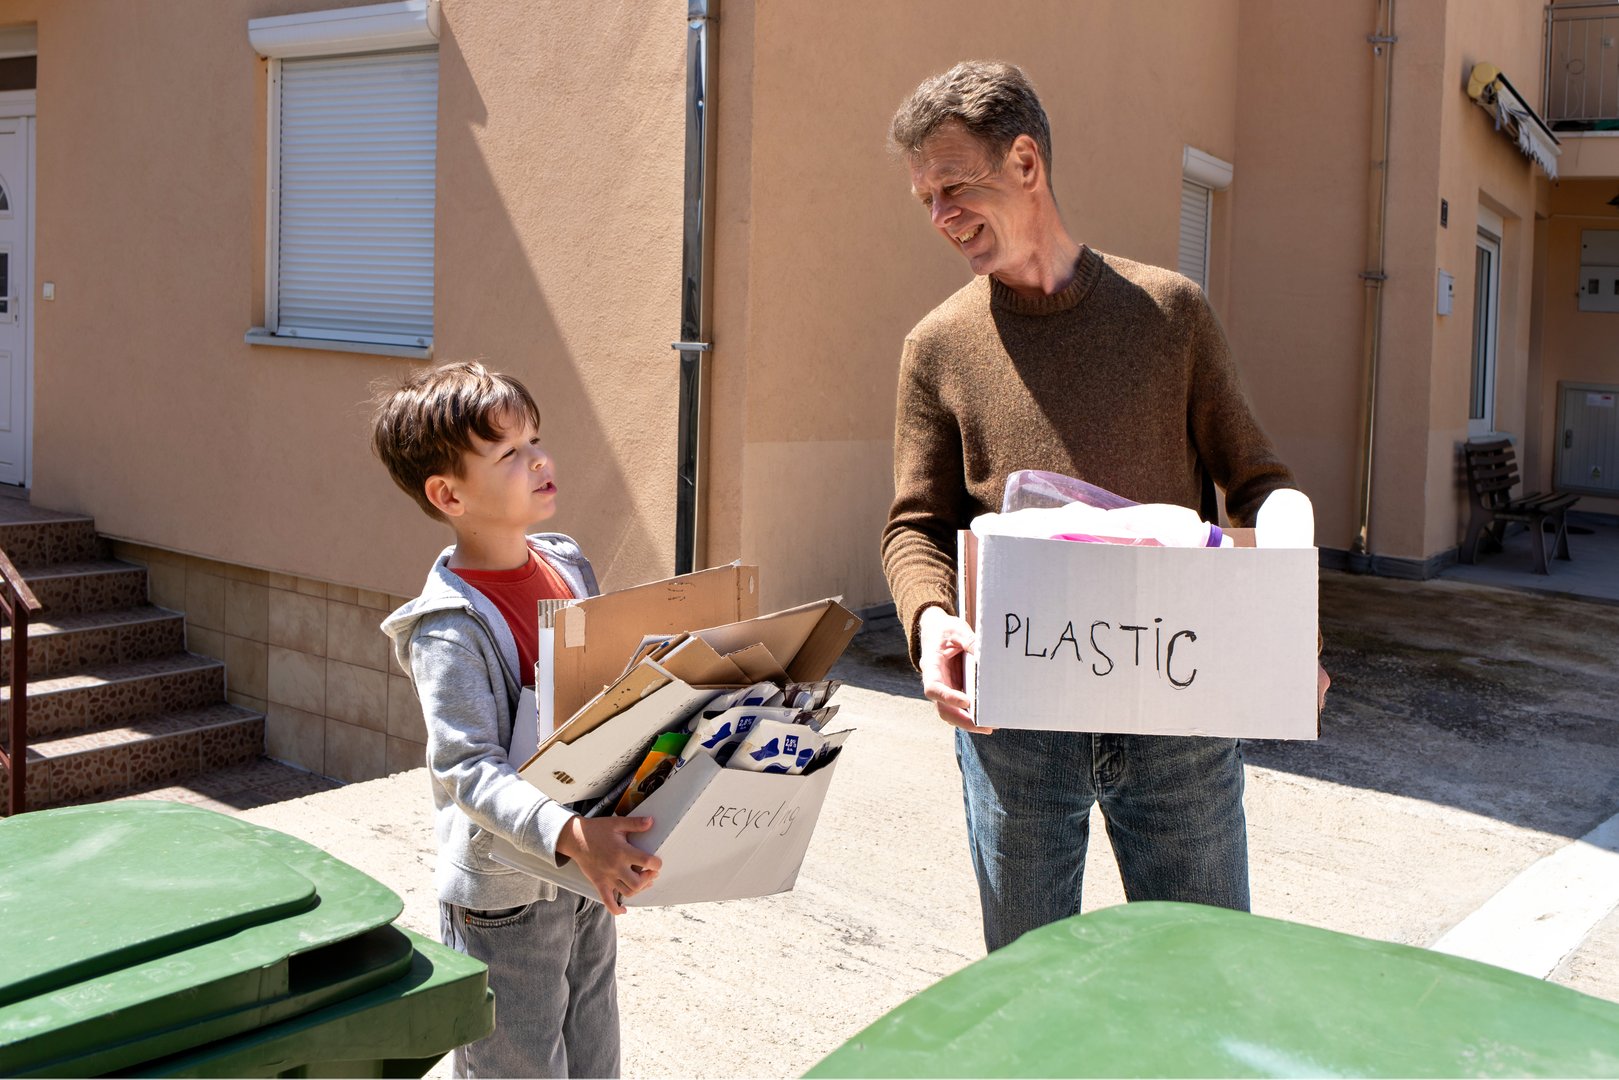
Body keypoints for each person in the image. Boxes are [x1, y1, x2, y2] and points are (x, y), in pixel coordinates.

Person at [880, 61, 1329, 953]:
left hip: (1178, 717)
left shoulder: (1170, 314)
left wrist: (1293, 618)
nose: (939, 216)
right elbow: (915, 527)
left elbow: (1259, 485)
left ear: (1024, 162)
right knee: (1027, 991)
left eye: (953, 186)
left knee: (1201, 975)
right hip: (1014, 724)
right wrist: (931, 623)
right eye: (924, 197)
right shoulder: (936, 347)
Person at [375, 361, 656, 1078]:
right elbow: (465, 768)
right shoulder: (448, 628)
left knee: (594, 1055)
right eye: (509, 454)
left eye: (536, 440)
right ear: (448, 494)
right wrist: (570, 834)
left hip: (584, 873)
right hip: (507, 902)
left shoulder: (567, 565)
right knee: (518, 1069)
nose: (540, 461)